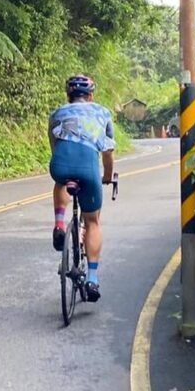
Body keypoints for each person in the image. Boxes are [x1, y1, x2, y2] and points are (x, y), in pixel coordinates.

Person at [48, 74, 115, 303]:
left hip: (60, 164)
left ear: (68, 95)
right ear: (91, 95)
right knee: (93, 221)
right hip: (88, 166)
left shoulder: (57, 113)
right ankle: (93, 279)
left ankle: (59, 223)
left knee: (61, 181)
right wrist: (106, 176)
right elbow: (108, 152)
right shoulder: (103, 112)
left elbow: (54, 145)